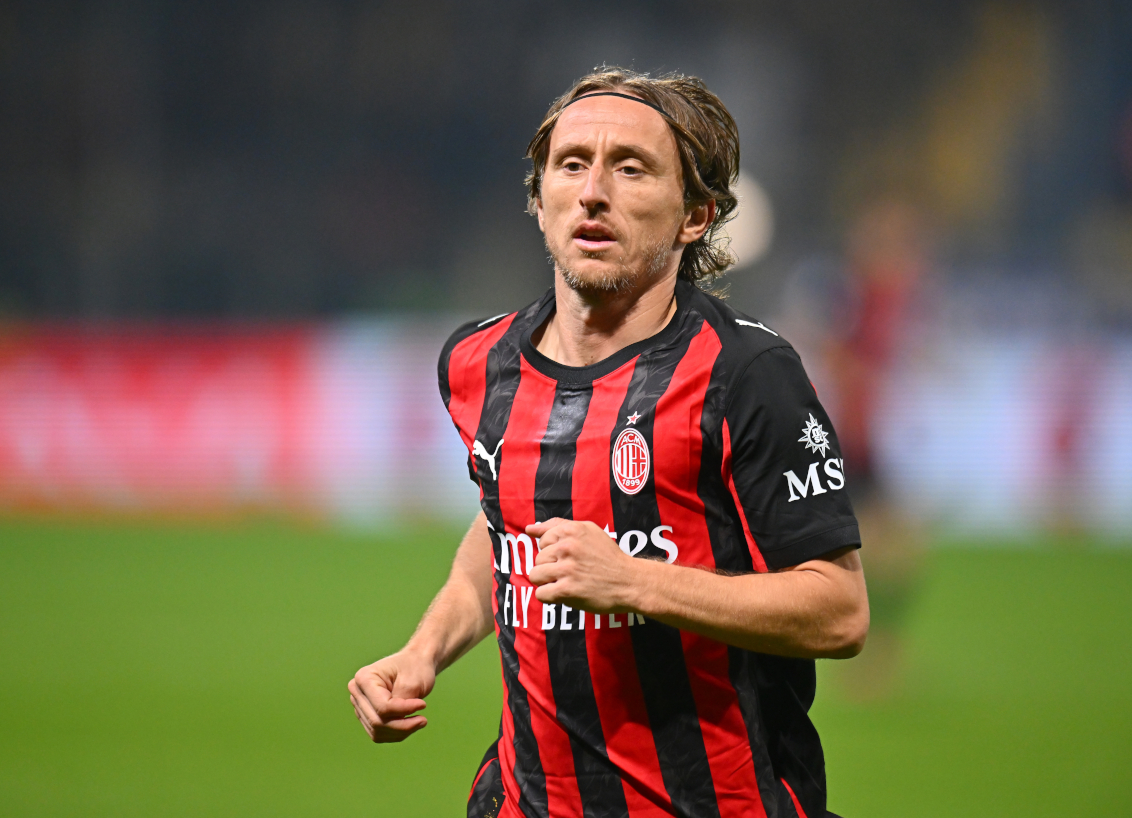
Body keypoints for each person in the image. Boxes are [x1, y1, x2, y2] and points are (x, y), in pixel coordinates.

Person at [349, 67, 869, 818]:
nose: (593, 192)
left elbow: (840, 611)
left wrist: (635, 583)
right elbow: (506, 527)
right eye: (571, 165)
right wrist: (422, 651)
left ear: (695, 216)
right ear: (539, 201)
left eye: (631, 168)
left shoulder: (747, 374)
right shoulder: (478, 363)